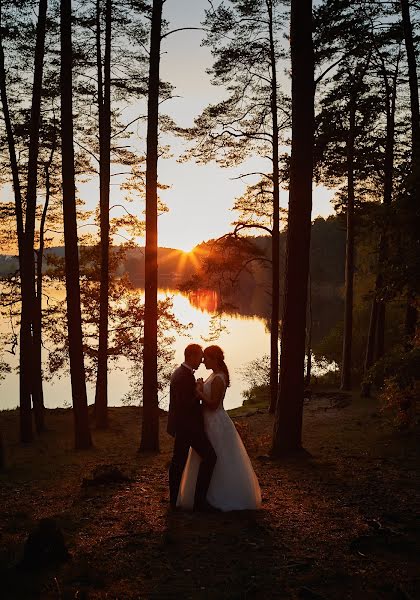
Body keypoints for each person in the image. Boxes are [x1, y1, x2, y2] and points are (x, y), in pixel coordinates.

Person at [177, 345, 262, 512]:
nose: (203, 361)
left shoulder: (218, 378)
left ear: (214, 359)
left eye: (206, 358)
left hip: (216, 423)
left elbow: (214, 405)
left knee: (218, 458)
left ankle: (218, 497)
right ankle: (202, 497)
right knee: (207, 458)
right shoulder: (213, 375)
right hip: (208, 422)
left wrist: (199, 392)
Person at [167, 344, 218, 512]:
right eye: (200, 357)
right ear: (191, 356)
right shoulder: (184, 376)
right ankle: (199, 501)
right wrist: (198, 392)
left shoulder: (180, 373)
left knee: (178, 462)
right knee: (209, 457)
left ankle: (175, 501)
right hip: (189, 427)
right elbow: (185, 405)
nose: (202, 360)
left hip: (183, 426)